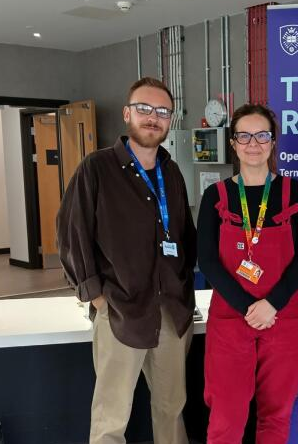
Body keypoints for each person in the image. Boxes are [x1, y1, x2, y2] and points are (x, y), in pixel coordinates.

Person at [57, 77, 197, 444]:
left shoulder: (172, 171)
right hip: (121, 310)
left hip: (170, 313)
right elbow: (71, 235)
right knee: (111, 415)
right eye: (144, 109)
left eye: (162, 111)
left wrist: (183, 290)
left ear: (170, 119)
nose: (153, 118)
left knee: (171, 409)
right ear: (127, 114)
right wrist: (96, 296)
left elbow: (185, 236)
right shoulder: (96, 168)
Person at [197, 103, 298, 444]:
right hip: (232, 321)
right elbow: (207, 260)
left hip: (286, 317)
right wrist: (249, 307)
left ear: (273, 141)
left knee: (276, 414)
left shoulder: (294, 192)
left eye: (261, 135)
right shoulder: (215, 195)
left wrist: (272, 304)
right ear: (233, 143)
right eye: (244, 135)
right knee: (226, 418)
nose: (253, 143)